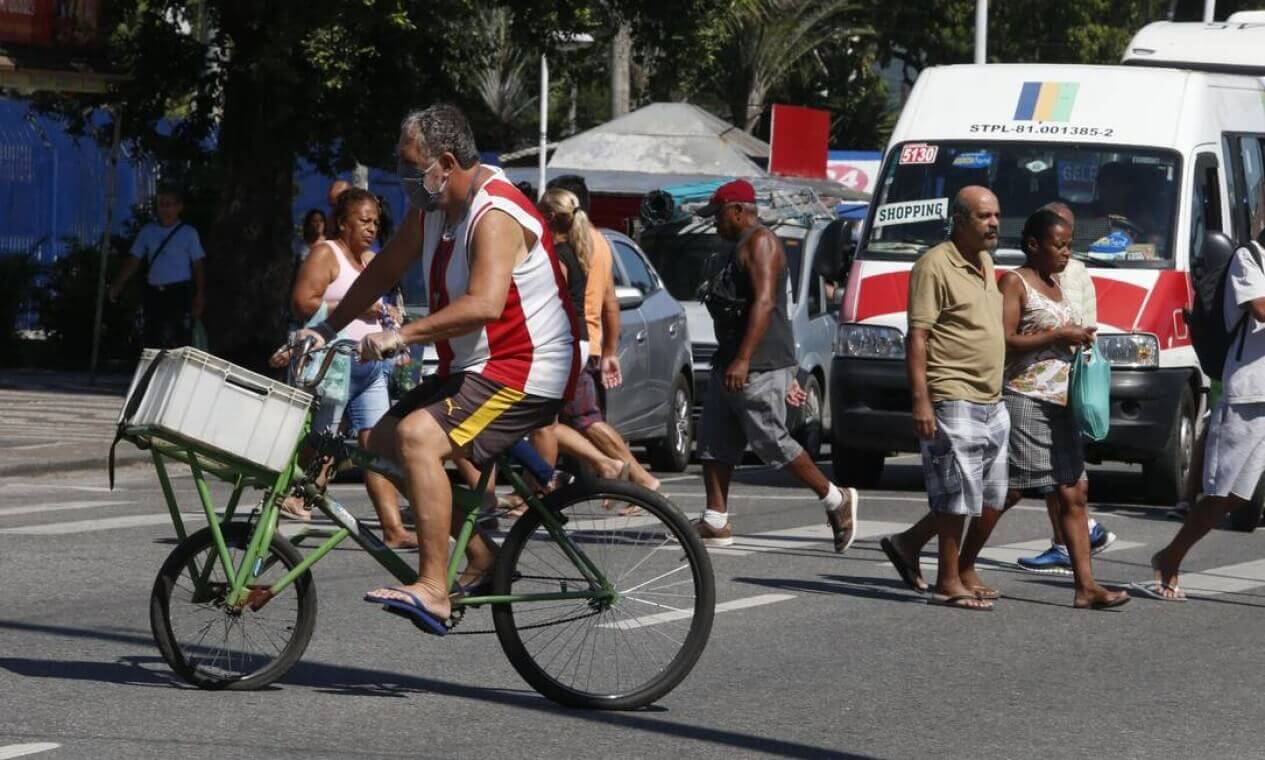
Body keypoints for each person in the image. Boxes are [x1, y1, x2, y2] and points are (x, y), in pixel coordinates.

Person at [282, 104, 578, 630]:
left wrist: (399, 334)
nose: (403, 178)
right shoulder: (437, 207)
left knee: (419, 437)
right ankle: (483, 558)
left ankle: (435, 587)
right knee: (379, 440)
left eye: (409, 164)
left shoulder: (496, 213)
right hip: (479, 366)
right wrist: (325, 329)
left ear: (444, 162)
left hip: (526, 368)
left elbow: (485, 304)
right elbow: (381, 273)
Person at [693, 179, 858, 550]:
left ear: (737, 210)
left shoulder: (761, 242)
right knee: (713, 442)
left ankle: (836, 498)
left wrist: (743, 359)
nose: (714, 224)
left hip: (757, 363)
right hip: (731, 360)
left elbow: (765, 303)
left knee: (771, 441)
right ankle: (716, 520)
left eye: (717, 216)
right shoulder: (736, 246)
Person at [878, 186, 1007, 611]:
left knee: (987, 495)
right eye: (984, 216)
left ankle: (911, 545)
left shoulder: (985, 262)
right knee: (955, 492)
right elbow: (918, 337)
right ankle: (947, 580)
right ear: (959, 218)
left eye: (996, 215)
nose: (994, 224)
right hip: (952, 392)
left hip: (991, 396)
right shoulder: (934, 265)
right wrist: (921, 399)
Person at [999, 209, 1129, 609]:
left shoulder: (1057, 284)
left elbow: (1060, 335)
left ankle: (1086, 587)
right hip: (1027, 397)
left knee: (1075, 493)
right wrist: (1058, 334)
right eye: (1059, 245)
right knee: (1010, 491)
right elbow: (1004, 341)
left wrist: (1077, 339)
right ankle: (944, 552)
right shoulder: (1014, 282)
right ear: (1034, 244)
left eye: (1070, 245)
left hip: (1062, 404)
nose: (1066, 253)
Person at [282, 188, 415, 549]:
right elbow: (302, 302)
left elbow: (380, 308)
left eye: (375, 222)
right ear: (343, 222)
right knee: (323, 439)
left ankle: (393, 528)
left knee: (376, 444)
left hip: (371, 367)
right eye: (363, 221)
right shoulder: (326, 253)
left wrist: (391, 319)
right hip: (334, 365)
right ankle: (297, 495)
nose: (371, 228)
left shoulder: (371, 260)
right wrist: (358, 308)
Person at [1142, 237, 1265, 601]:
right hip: (1249, 392)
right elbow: (1259, 307)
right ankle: (1170, 556)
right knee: (1225, 497)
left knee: (1236, 497)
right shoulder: (1250, 257)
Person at [546, 174, 661, 494]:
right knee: (555, 423)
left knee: (580, 420)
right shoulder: (598, 241)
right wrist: (609, 351)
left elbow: (604, 301)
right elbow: (611, 301)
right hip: (588, 345)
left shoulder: (567, 248)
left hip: (570, 345)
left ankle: (635, 475)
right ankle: (541, 487)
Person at [108, 185, 207, 349]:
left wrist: (200, 294)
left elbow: (198, 265)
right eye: (162, 204)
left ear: (178, 207)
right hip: (155, 293)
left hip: (179, 292)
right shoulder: (148, 231)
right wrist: (118, 284)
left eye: (170, 204)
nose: (165, 209)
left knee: (180, 338)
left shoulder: (188, 233)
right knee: (152, 336)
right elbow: (134, 260)